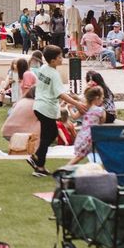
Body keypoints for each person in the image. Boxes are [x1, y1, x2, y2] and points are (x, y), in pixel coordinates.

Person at [26, 46, 82, 177]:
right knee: (49, 136)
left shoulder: (44, 68)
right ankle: (38, 163)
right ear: (52, 60)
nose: (62, 59)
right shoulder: (54, 74)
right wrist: (77, 104)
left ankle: (38, 161)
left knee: (50, 134)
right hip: (46, 108)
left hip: (39, 106)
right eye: (60, 57)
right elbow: (60, 94)